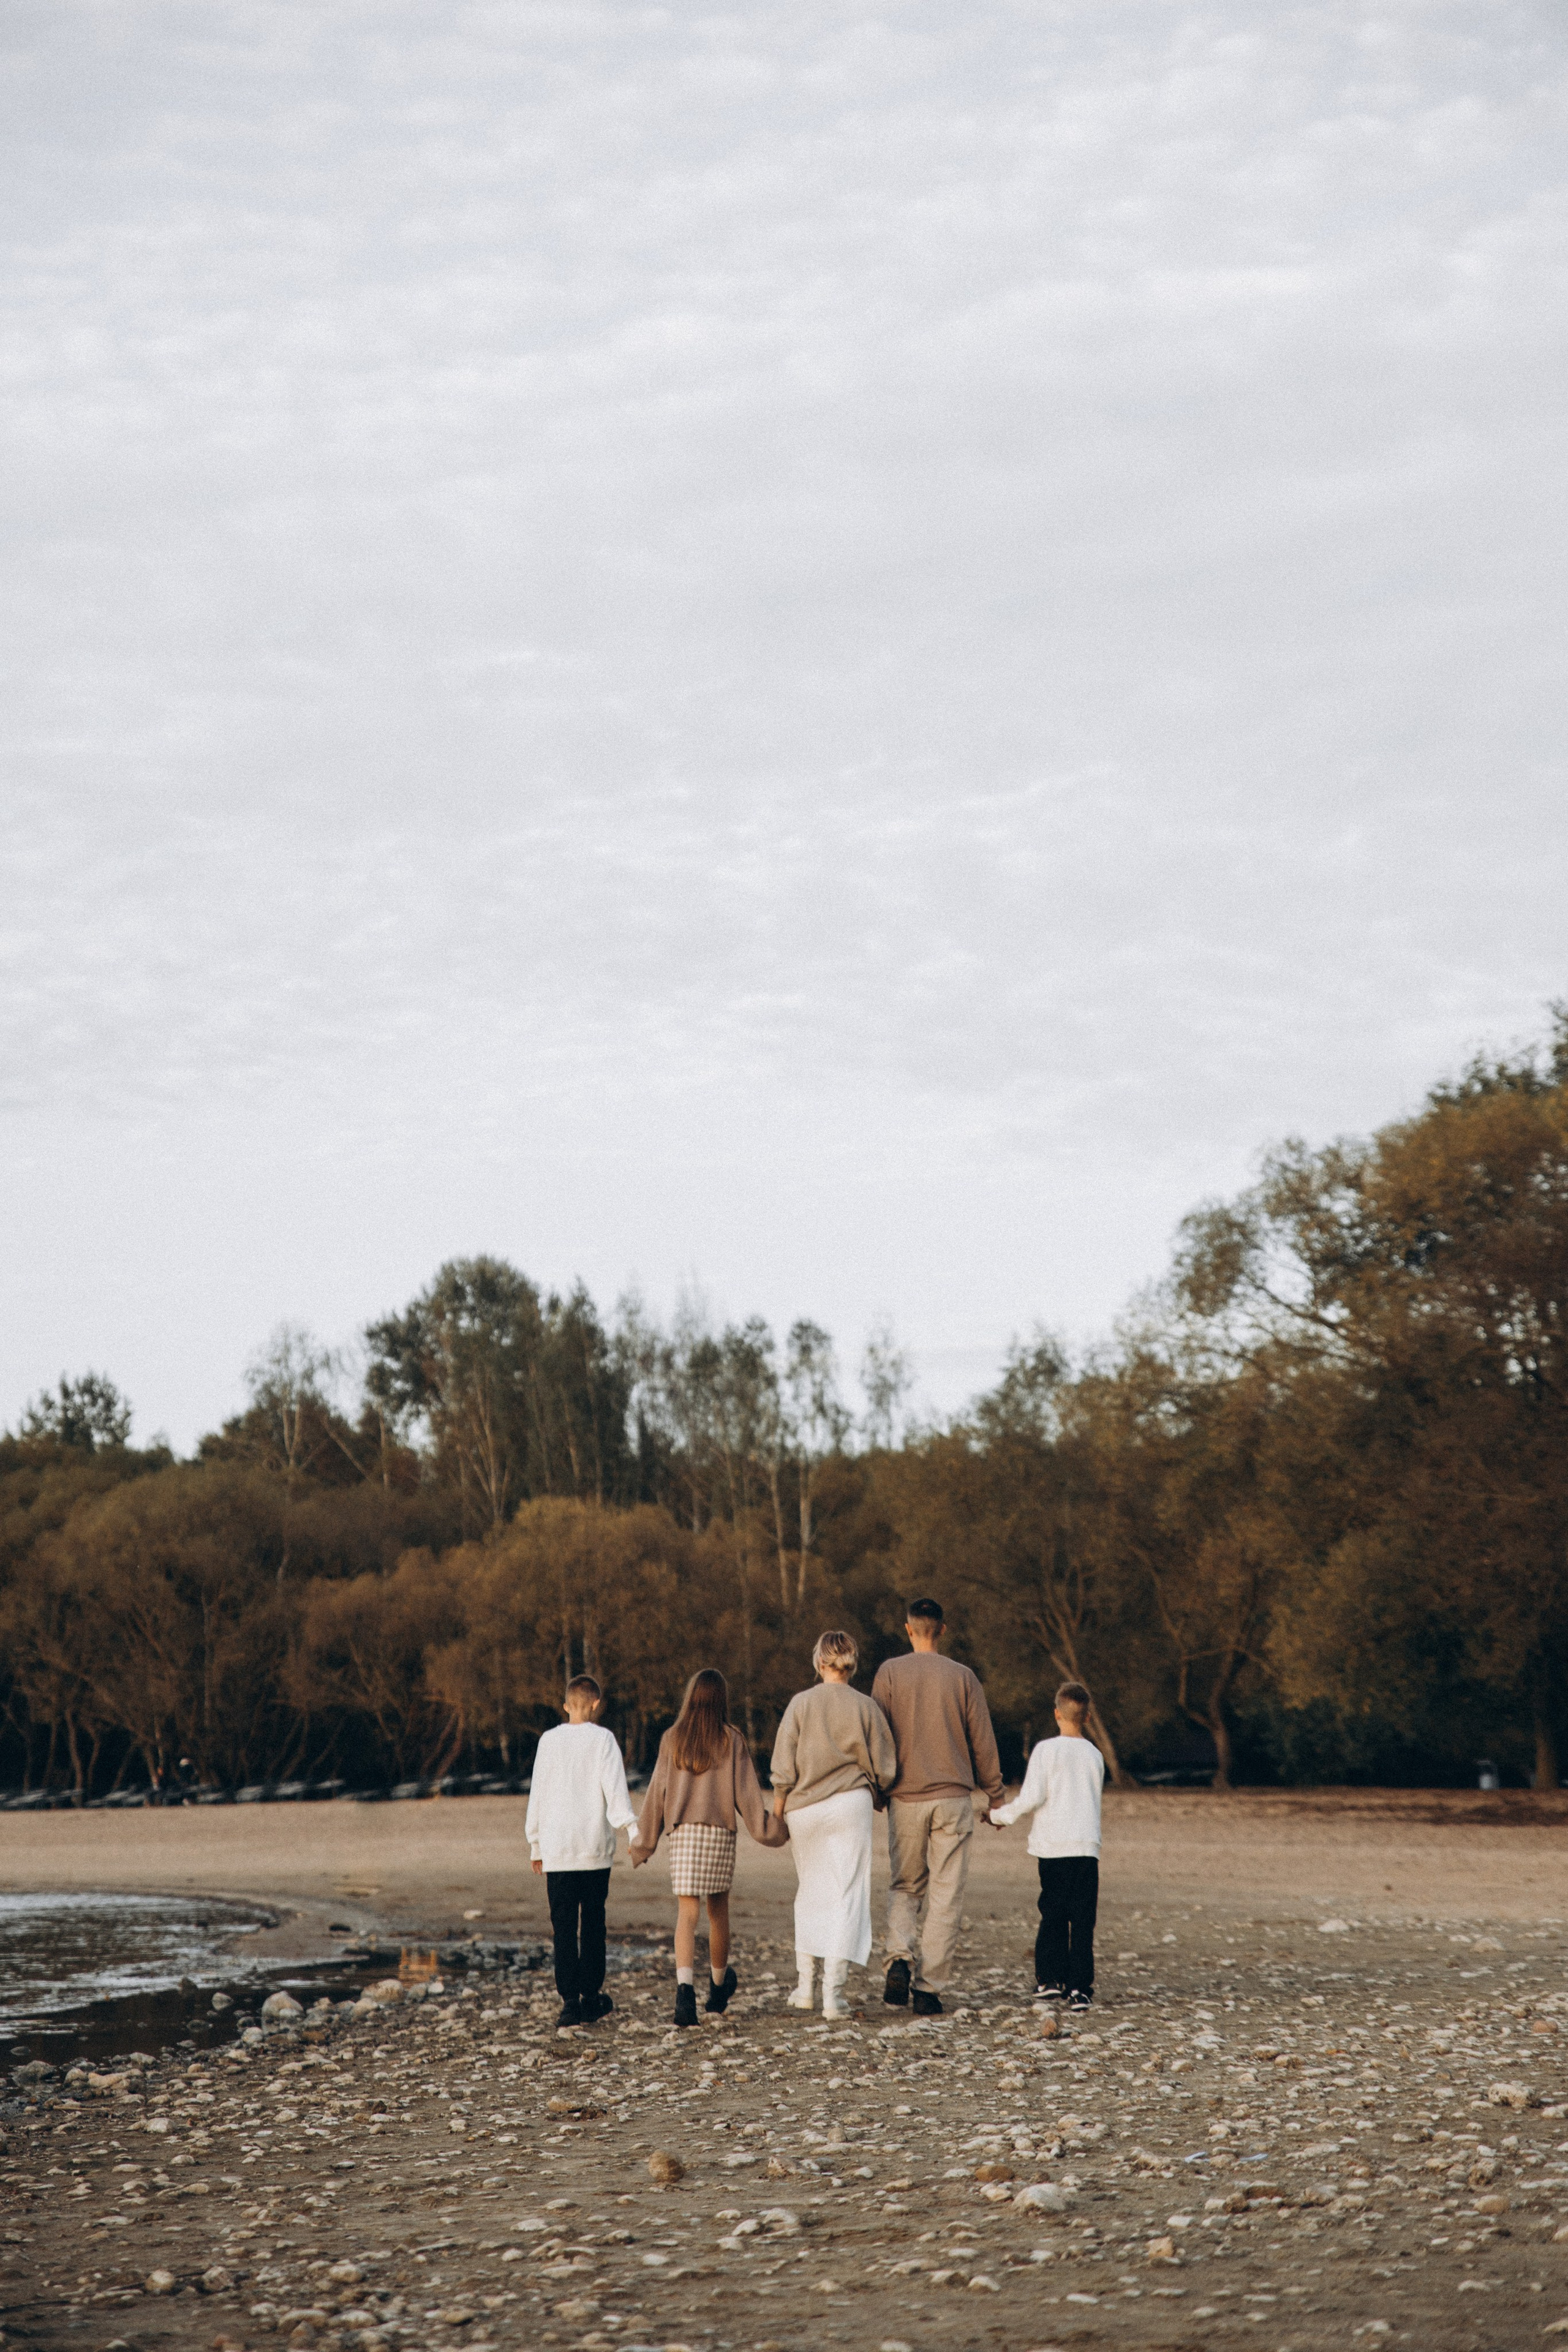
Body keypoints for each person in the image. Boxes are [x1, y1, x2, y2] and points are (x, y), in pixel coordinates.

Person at [631, 1668, 789, 2027]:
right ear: (722, 1700)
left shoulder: (672, 1738)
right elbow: (749, 1798)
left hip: (683, 1834)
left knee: (687, 1915)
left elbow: (658, 1793)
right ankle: (717, 1992)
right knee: (718, 1913)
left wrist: (644, 1843)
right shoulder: (732, 1740)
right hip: (719, 1834)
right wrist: (774, 1830)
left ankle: (684, 1995)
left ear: (691, 1697)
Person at [870, 1596, 1004, 2016]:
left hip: (905, 1798)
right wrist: (995, 1795)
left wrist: (878, 1791)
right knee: (946, 1894)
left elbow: (877, 1735)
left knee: (905, 1886)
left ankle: (898, 1959)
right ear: (942, 1630)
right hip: (953, 1798)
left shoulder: (889, 1673)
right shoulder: (963, 1677)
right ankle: (928, 1990)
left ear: (908, 1629)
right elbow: (982, 1739)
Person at [770, 1630, 898, 2018]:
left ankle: (805, 1987)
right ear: (852, 1664)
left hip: (803, 1806)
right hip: (850, 1804)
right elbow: (886, 1766)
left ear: (819, 1662)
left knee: (810, 1891)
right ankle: (834, 1995)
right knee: (848, 1894)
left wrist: (778, 1811)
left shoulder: (800, 1703)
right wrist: (877, 1793)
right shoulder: (866, 1707)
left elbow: (782, 1764)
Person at [526, 1673, 641, 2029]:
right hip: (594, 1849)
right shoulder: (604, 1740)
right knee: (593, 1924)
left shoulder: (548, 1741)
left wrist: (535, 1843)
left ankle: (569, 2003)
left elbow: (538, 1793)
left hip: (558, 1849)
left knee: (562, 1926)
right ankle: (591, 1996)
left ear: (565, 1706)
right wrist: (634, 1829)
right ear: (596, 1704)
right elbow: (615, 1793)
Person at [990, 1678, 1104, 2010]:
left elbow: (1033, 1797)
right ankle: (1080, 1988)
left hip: (1053, 1847)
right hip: (1086, 1847)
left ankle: (1050, 1979)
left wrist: (1000, 1816)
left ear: (1057, 1714)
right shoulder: (1095, 1755)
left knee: (1053, 1912)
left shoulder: (1046, 1750)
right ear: (1086, 1717)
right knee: (1083, 1918)